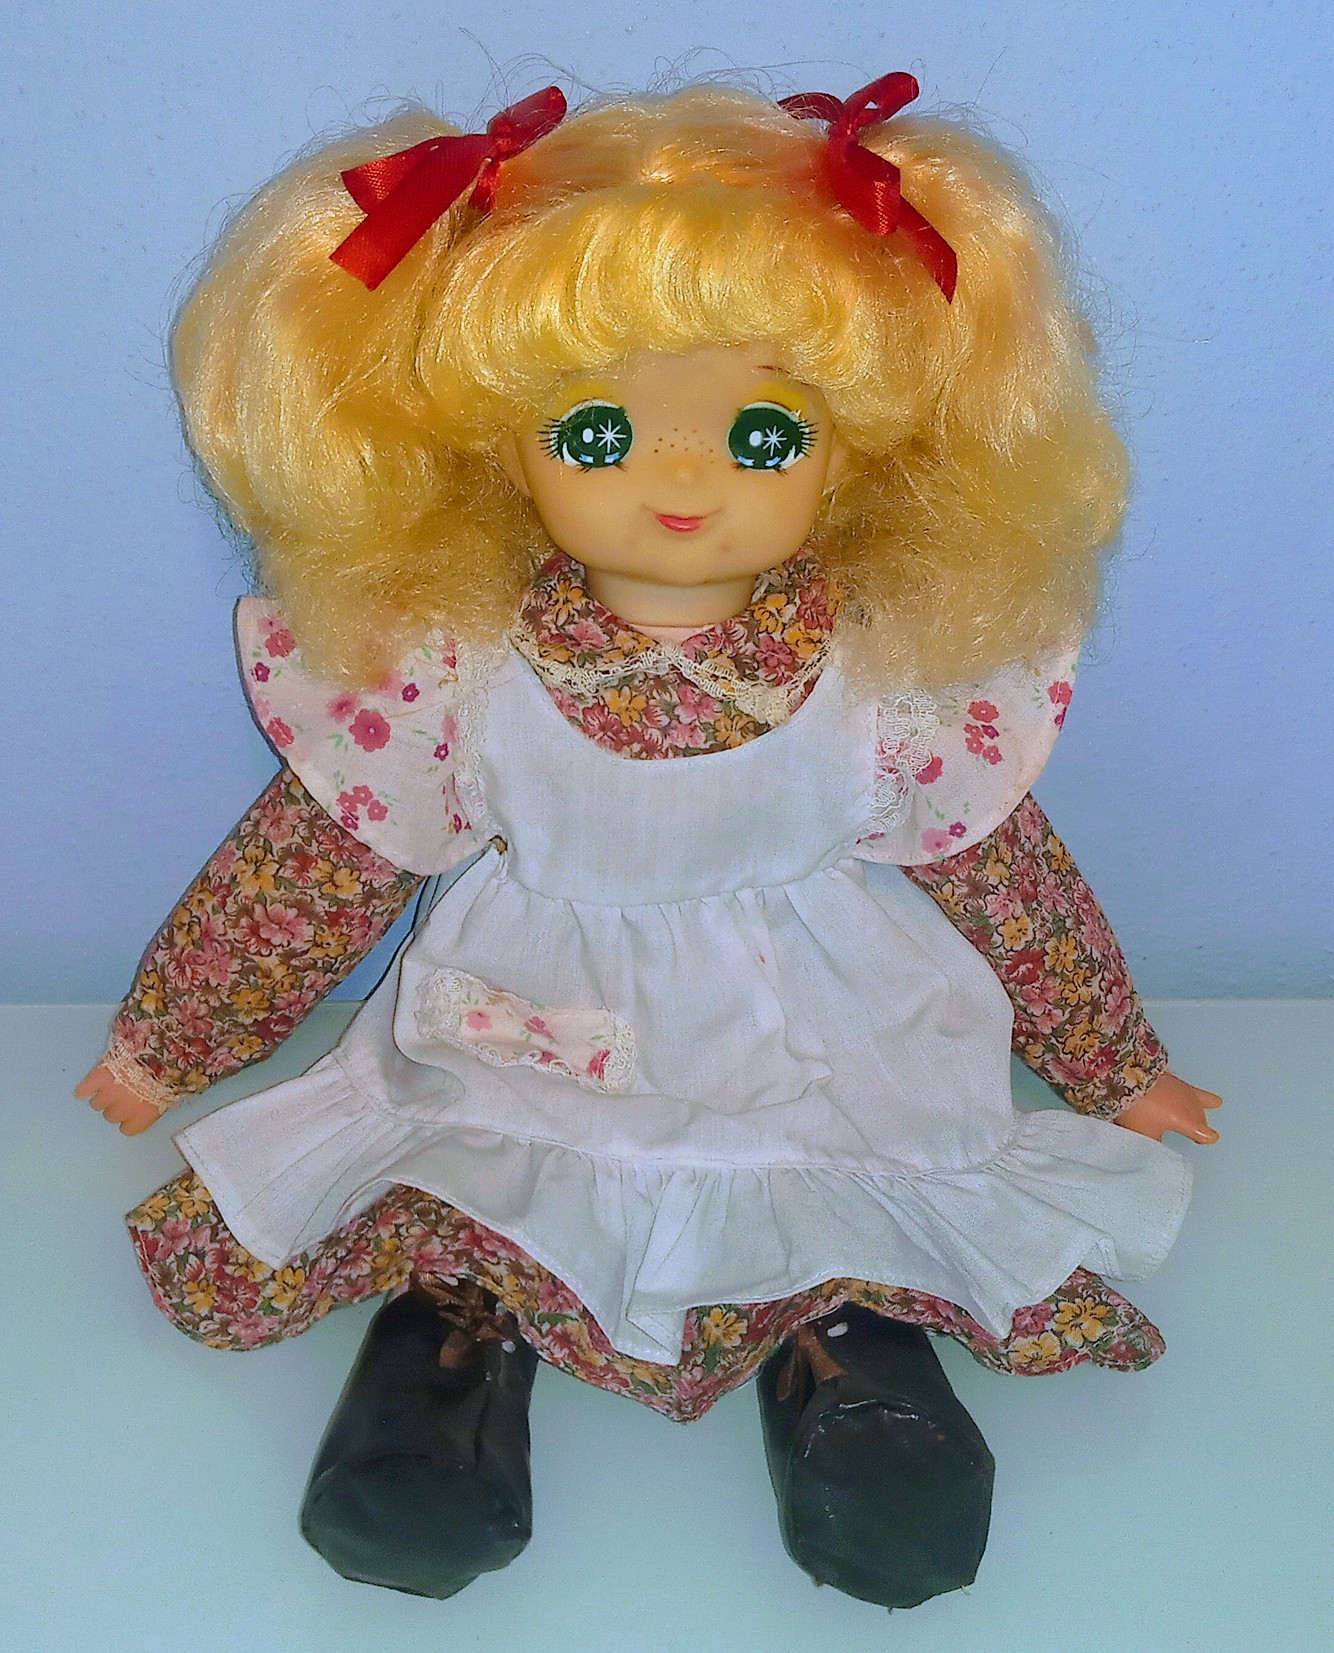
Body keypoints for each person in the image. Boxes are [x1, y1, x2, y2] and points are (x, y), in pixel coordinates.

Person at [77, 74, 1221, 1608]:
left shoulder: (891, 688)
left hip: (816, 1041)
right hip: (534, 1031)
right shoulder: (452, 680)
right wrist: (172, 1037)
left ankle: (854, 1376)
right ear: (504, 450)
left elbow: (1008, 877)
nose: (681, 479)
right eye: (600, 430)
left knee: (837, 1187)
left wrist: (1112, 1061)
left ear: (852, 456)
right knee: (477, 1189)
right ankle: (441, 1379)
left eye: (761, 432)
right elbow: (313, 873)